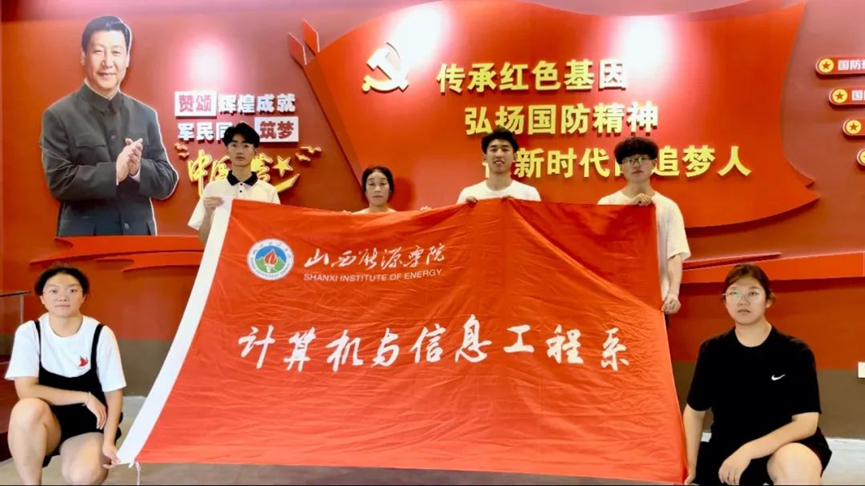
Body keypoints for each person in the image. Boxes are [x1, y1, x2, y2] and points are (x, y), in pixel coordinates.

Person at [683, 264, 832, 485]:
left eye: (752, 293)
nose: (743, 301)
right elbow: (695, 412)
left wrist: (749, 450)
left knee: (796, 466)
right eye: (734, 293)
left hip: (783, 446)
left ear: (768, 300)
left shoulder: (795, 351)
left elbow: (805, 423)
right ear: (725, 301)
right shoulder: (712, 350)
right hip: (728, 449)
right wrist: (691, 464)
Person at [40, 15, 179, 237]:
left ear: (127, 59)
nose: (107, 62)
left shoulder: (145, 114)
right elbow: (59, 181)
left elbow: (167, 180)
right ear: (83, 56)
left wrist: (137, 169)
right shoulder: (59, 115)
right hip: (87, 245)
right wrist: (114, 172)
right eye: (98, 51)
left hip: (139, 243)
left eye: (116, 52)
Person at [5, 266, 126, 485]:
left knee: (83, 476)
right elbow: (26, 390)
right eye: (53, 291)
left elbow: (114, 394)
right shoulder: (30, 332)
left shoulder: (100, 333)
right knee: (26, 409)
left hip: (89, 423)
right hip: (47, 422)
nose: (62, 297)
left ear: (84, 296)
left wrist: (109, 442)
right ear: (42, 298)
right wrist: (84, 397)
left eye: (72, 290)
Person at [598, 136, 690, 318]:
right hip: (615, 299)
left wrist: (673, 293)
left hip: (656, 301)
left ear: (654, 163)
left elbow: (674, 254)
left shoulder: (668, 207)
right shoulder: (607, 203)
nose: (636, 164)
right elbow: (598, 245)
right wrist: (627, 210)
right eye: (629, 160)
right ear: (621, 167)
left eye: (642, 158)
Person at [188, 122, 280, 244]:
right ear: (227, 150)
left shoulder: (268, 191)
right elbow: (204, 241)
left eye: (245, 146)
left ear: (255, 152)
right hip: (222, 254)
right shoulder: (212, 188)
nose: (239, 151)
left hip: (255, 254)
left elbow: (276, 234)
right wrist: (208, 214)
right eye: (234, 145)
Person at [457, 127, 541, 204]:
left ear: (514, 157)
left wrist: (519, 208)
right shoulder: (468, 194)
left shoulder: (529, 194)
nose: (499, 154)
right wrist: (466, 211)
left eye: (505, 149)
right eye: (493, 150)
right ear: (484, 157)